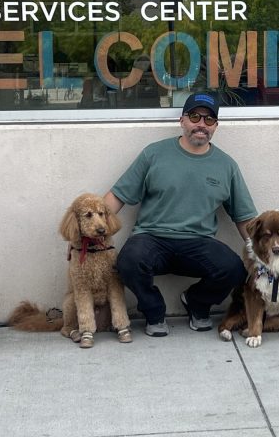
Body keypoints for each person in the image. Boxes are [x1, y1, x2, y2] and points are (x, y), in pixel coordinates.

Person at [103, 91, 257, 337]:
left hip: (199, 243)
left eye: (208, 120)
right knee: (128, 261)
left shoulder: (226, 165)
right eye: (195, 116)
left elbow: (245, 218)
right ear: (182, 120)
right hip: (152, 238)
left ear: (216, 126)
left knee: (234, 269)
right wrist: (85, 237)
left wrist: (261, 253)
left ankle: (197, 302)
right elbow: (117, 196)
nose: (201, 124)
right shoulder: (154, 154)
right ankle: (153, 312)